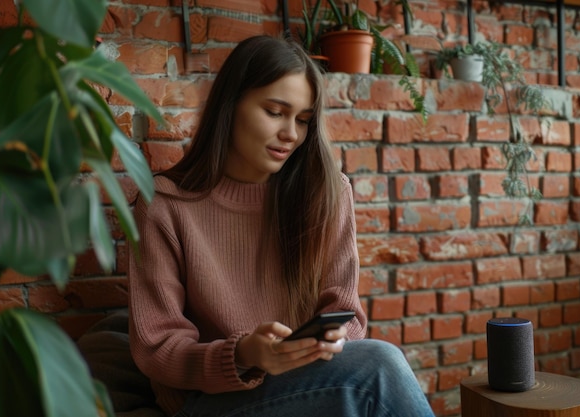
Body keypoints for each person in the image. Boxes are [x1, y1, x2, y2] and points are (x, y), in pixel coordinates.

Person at [128, 35, 434, 417]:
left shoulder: (326, 192)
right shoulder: (166, 203)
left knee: (373, 365)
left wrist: (332, 341)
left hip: (309, 383)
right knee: (379, 367)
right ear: (231, 105)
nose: (292, 134)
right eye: (275, 112)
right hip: (209, 401)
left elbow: (347, 313)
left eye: (303, 120)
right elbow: (156, 347)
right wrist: (242, 353)